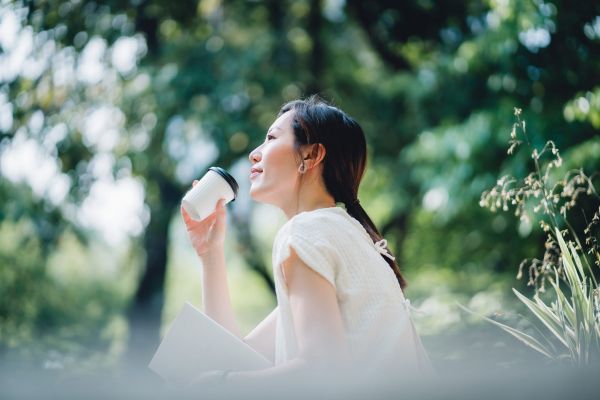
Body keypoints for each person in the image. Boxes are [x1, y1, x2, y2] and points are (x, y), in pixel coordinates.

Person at [181, 96, 431, 385]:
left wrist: (221, 384)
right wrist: (210, 252)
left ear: (311, 156)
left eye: (271, 138)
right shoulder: (344, 235)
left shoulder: (306, 233)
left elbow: (323, 368)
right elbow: (238, 355)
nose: (254, 153)